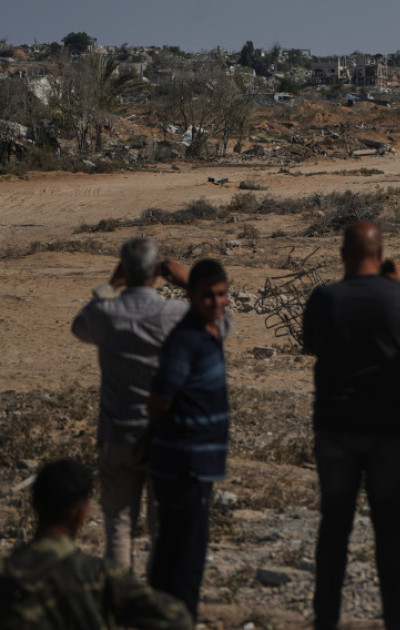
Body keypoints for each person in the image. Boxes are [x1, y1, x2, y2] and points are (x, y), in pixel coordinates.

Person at [302, 221, 400, 630]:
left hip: (336, 427)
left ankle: (325, 617)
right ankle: (398, 617)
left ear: (342, 254)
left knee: (335, 526)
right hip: (389, 429)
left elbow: (310, 343)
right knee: (390, 528)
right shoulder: (399, 296)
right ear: (379, 256)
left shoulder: (324, 298)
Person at [71, 237, 190, 570]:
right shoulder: (176, 314)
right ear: (156, 272)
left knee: (119, 528)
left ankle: (117, 603)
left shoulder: (107, 315)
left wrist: (110, 285)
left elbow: (79, 326)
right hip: (165, 436)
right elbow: (218, 322)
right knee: (162, 529)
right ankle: (155, 605)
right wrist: (188, 281)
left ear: (124, 268)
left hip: (117, 433)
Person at [0, 458, 190, 630]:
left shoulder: (7, 572)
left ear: (34, 507)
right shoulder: (100, 576)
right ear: (81, 513)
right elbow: (176, 617)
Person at [145, 258, 233, 622]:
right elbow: (160, 400)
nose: (216, 302)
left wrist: (185, 280)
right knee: (183, 555)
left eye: (222, 294)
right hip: (183, 462)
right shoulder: (185, 340)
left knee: (180, 548)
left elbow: (224, 317)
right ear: (192, 298)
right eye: (207, 296)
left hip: (198, 463)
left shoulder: (212, 329)